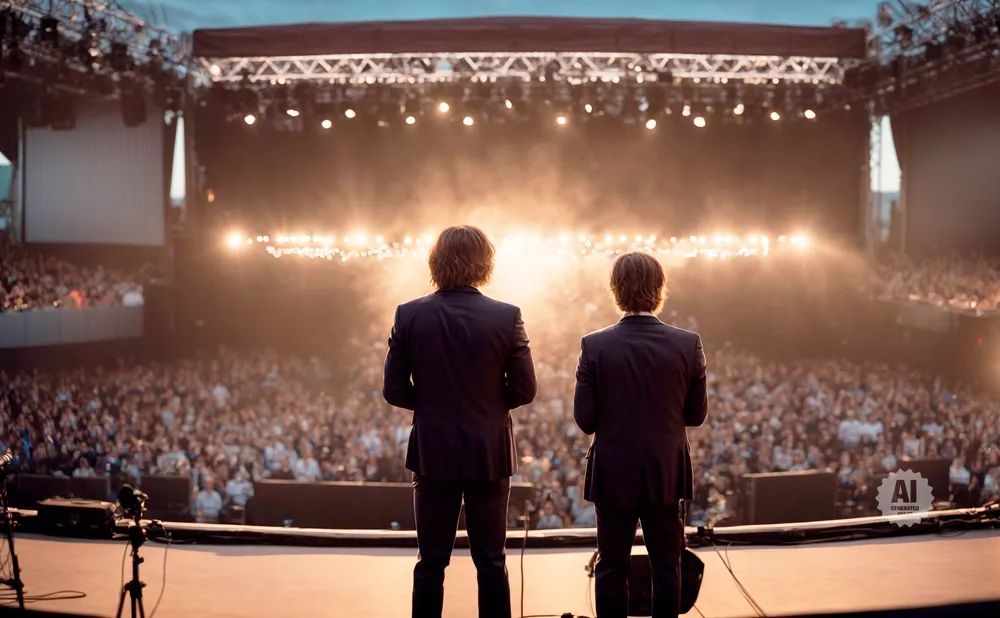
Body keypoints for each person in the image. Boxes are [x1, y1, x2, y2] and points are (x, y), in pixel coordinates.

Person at [383, 225, 537, 618]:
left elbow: (394, 390)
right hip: (489, 452)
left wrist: (434, 405)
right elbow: (525, 390)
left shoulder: (409, 314)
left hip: (433, 451)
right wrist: (485, 406)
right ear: (484, 263)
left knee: (430, 563)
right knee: (491, 562)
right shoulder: (507, 316)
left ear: (436, 261)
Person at [573, 251, 708, 618]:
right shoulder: (687, 343)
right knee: (668, 566)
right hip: (666, 471)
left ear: (615, 290)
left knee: (611, 566)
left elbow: (585, 421)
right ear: (660, 289)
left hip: (613, 472)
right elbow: (696, 415)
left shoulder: (594, 345)